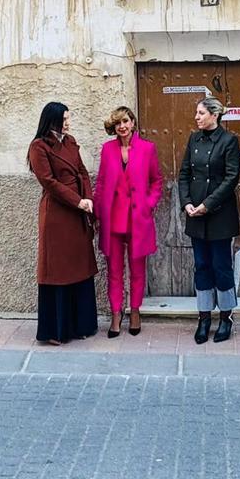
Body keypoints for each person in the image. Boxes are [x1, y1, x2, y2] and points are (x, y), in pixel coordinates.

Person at [27, 101, 99, 345]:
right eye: (64, 119)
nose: (68, 123)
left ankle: (82, 324)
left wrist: (88, 198)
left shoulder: (70, 142)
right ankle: (56, 330)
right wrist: (78, 201)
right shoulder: (39, 147)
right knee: (58, 270)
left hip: (78, 210)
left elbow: (82, 172)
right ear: (52, 120)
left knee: (79, 267)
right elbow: (49, 182)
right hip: (58, 214)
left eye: (69, 118)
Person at [93, 106, 163, 337]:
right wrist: (98, 213)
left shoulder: (147, 149)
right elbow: (102, 182)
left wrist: (148, 204)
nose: (122, 127)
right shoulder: (107, 149)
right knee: (114, 270)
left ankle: (134, 310)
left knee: (137, 269)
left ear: (133, 122)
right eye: (117, 124)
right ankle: (115, 313)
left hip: (137, 219)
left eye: (125, 121)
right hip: (113, 219)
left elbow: (156, 181)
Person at [177, 97, 240, 344]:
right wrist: (187, 203)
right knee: (201, 265)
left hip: (219, 216)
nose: (196, 117)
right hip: (195, 216)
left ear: (215, 115)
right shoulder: (194, 139)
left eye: (201, 113)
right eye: (196, 112)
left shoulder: (229, 141)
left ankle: (226, 316)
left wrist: (208, 205)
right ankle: (204, 317)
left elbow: (231, 178)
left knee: (221, 266)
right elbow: (184, 174)